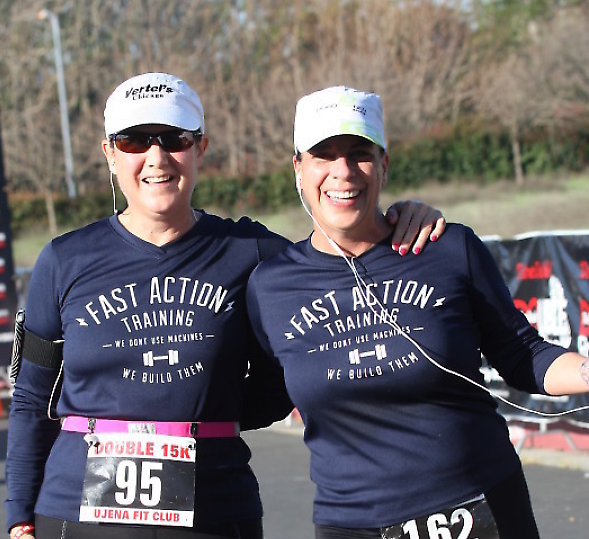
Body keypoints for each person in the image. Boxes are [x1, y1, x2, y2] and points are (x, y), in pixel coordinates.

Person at [5, 73, 446, 539]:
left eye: (175, 139)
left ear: (201, 148)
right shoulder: (64, 260)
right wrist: (18, 516)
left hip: (215, 510)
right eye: (134, 141)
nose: (156, 157)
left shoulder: (252, 253)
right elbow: (33, 399)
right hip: (79, 514)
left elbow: (339, 259)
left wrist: (405, 220)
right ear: (110, 154)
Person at [245, 85, 589, 539]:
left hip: (482, 505)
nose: (343, 171)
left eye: (360, 154)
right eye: (323, 155)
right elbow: (265, 395)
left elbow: (523, 354)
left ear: (384, 165)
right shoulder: (270, 286)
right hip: (352, 525)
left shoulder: (446, 248)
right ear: (298, 168)